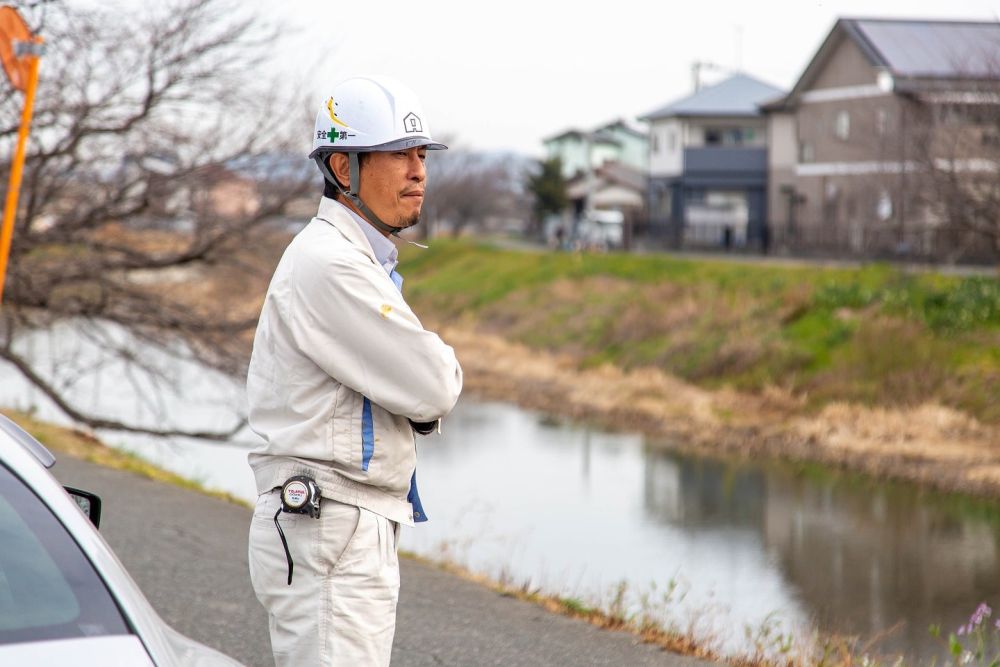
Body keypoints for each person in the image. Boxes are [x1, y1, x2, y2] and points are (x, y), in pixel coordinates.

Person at [245, 75, 463, 667]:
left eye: (421, 154)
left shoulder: (351, 258)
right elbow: (435, 385)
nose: (418, 171)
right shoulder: (331, 264)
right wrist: (437, 355)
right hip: (331, 526)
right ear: (344, 168)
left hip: (339, 523)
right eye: (398, 155)